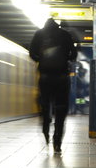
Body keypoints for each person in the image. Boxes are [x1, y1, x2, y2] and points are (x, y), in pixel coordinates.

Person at [28, 17, 77, 153]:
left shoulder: (39, 34)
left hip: (45, 77)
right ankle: (57, 142)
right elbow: (74, 54)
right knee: (61, 109)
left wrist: (42, 60)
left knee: (45, 104)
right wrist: (65, 60)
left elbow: (32, 53)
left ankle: (45, 126)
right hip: (61, 77)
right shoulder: (65, 34)